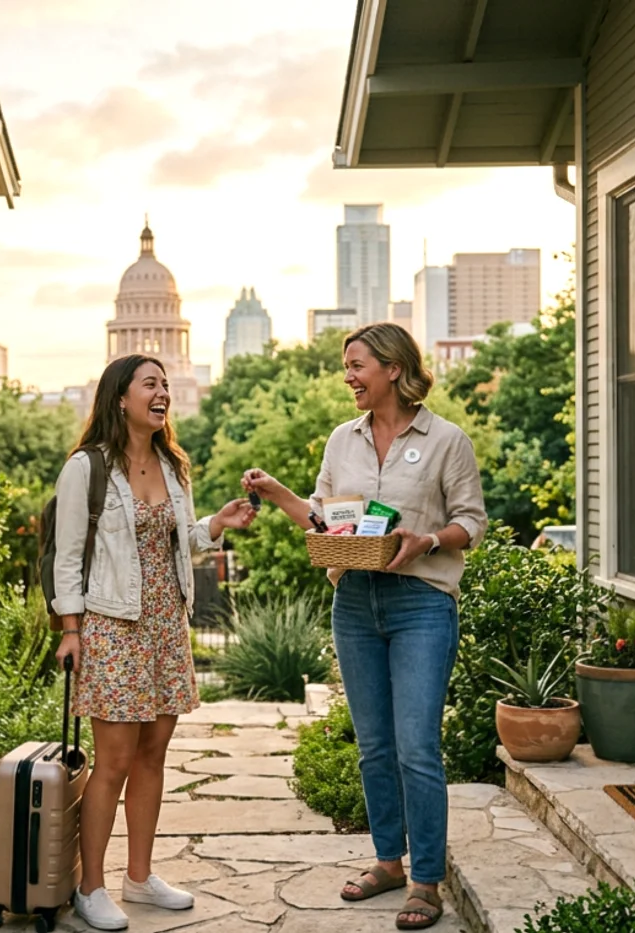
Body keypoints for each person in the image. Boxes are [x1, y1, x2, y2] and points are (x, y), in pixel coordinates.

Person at [241, 323, 486, 931]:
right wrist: (276, 494)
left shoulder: (446, 441)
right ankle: (388, 862)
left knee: (417, 748)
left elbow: (470, 523)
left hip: (421, 603)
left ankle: (426, 880)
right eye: (346, 366)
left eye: (357, 366)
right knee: (374, 746)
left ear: (394, 369)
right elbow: (327, 517)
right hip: (354, 601)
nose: (348, 376)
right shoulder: (341, 440)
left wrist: (427, 538)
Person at [52, 354, 255, 931]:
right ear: (121, 398)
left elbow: (179, 540)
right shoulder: (86, 469)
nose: (162, 392)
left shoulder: (173, 465)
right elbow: (68, 559)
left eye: (165, 384)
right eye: (150, 384)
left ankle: (138, 877)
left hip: (167, 624)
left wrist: (217, 524)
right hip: (113, 627)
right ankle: (91, 887)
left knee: (152, 756)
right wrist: (71, 630)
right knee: (112, 762)